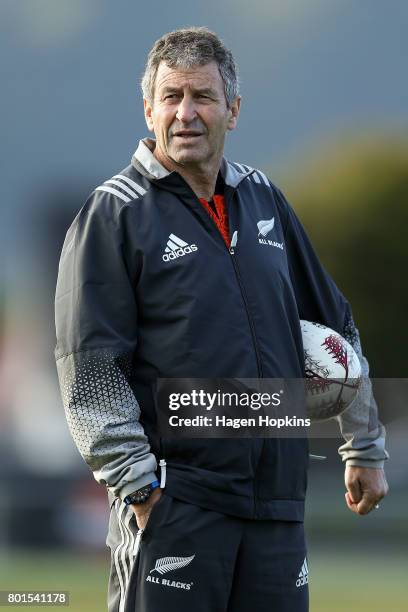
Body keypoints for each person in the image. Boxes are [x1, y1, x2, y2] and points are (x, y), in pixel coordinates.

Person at [54, 27, 389, 612]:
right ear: (148, 108)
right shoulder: (112, 215)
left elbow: (335, 327)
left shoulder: (265, 200)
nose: (186, 114)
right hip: (177, 508)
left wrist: (364, 445)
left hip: (277, 509)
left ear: (232, 110)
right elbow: (90, 371)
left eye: (203, 97)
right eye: (172, 96)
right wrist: (139, 488)